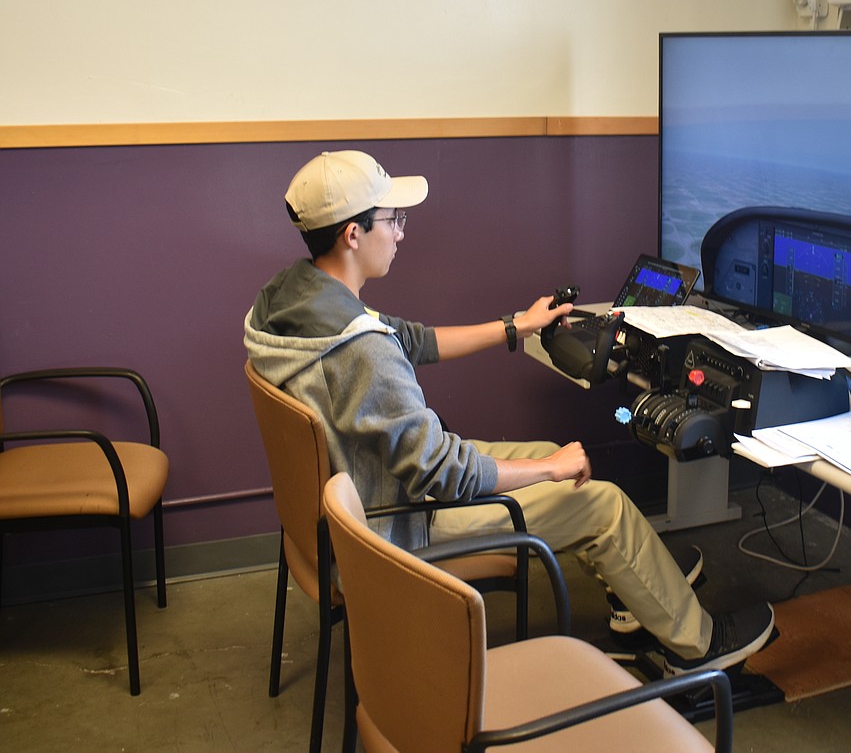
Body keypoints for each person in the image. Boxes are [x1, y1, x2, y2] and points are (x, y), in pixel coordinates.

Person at [243, 149, 775, 675]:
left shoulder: (293, 302)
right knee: (599, 500)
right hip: (400, 521)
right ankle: (697, 649)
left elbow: (410, 340)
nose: (402, 232)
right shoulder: (361, 351)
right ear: (352, 235)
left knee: (551, 455)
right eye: (393, 220)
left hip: (357, 499)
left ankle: (639, 588)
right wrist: (551, 471)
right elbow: (444, 472)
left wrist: (514, 326)